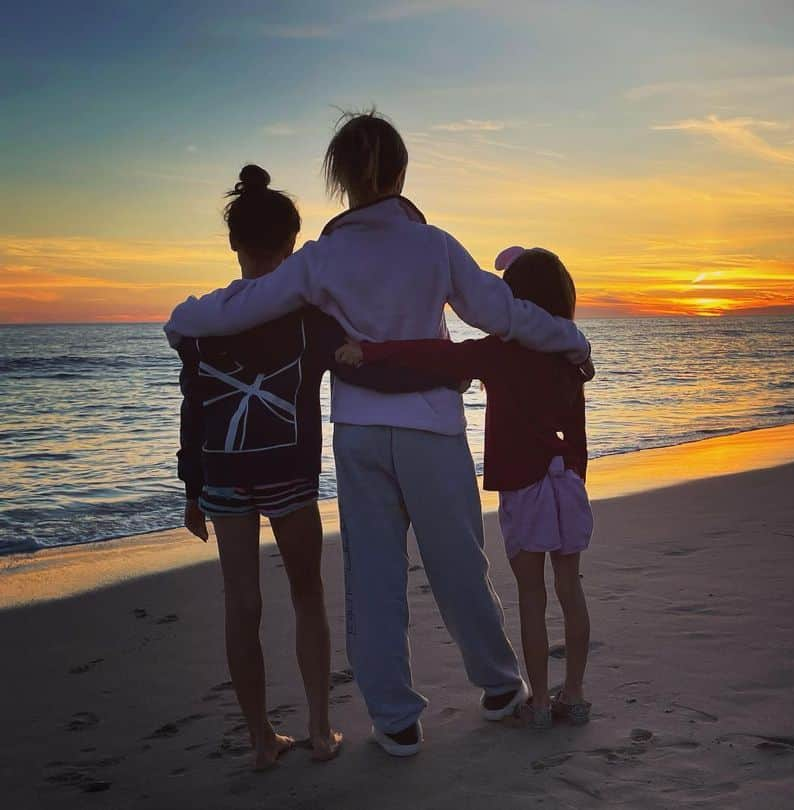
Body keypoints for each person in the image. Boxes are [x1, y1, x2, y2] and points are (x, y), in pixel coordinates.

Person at [165, 110, 591, 757]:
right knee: (458, 567)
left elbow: (242, 305)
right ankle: (501, 688)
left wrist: (181, 322)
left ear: (340, 180)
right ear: (400, 173)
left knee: (373, 576)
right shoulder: (435, 245)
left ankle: (395, 720)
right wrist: (571, 340)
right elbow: (502, 313)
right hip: (429, 428)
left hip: (359, 432)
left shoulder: (322, 257)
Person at [176, 164, 454, 769]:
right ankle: (321, 729)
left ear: (232, 243)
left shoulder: (199, 326)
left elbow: (192, 408)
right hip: (288, 474)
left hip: (222, 474)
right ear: (294, 248)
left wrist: (192, 490)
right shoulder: (307, 321)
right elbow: (365, 364)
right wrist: (443, 368)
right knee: (307, 594)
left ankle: (259, 742)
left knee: (240, 602)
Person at [336, 246, 594, 729]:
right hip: (567, 485)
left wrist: (369, 351)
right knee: (569, 591)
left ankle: (538, 702)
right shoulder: (571, 353)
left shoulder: (498, 354)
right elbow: (577, 433)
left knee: (532, 599)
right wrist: (574, 478)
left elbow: (432, 356)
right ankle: (574, 695)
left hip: (524, 486)